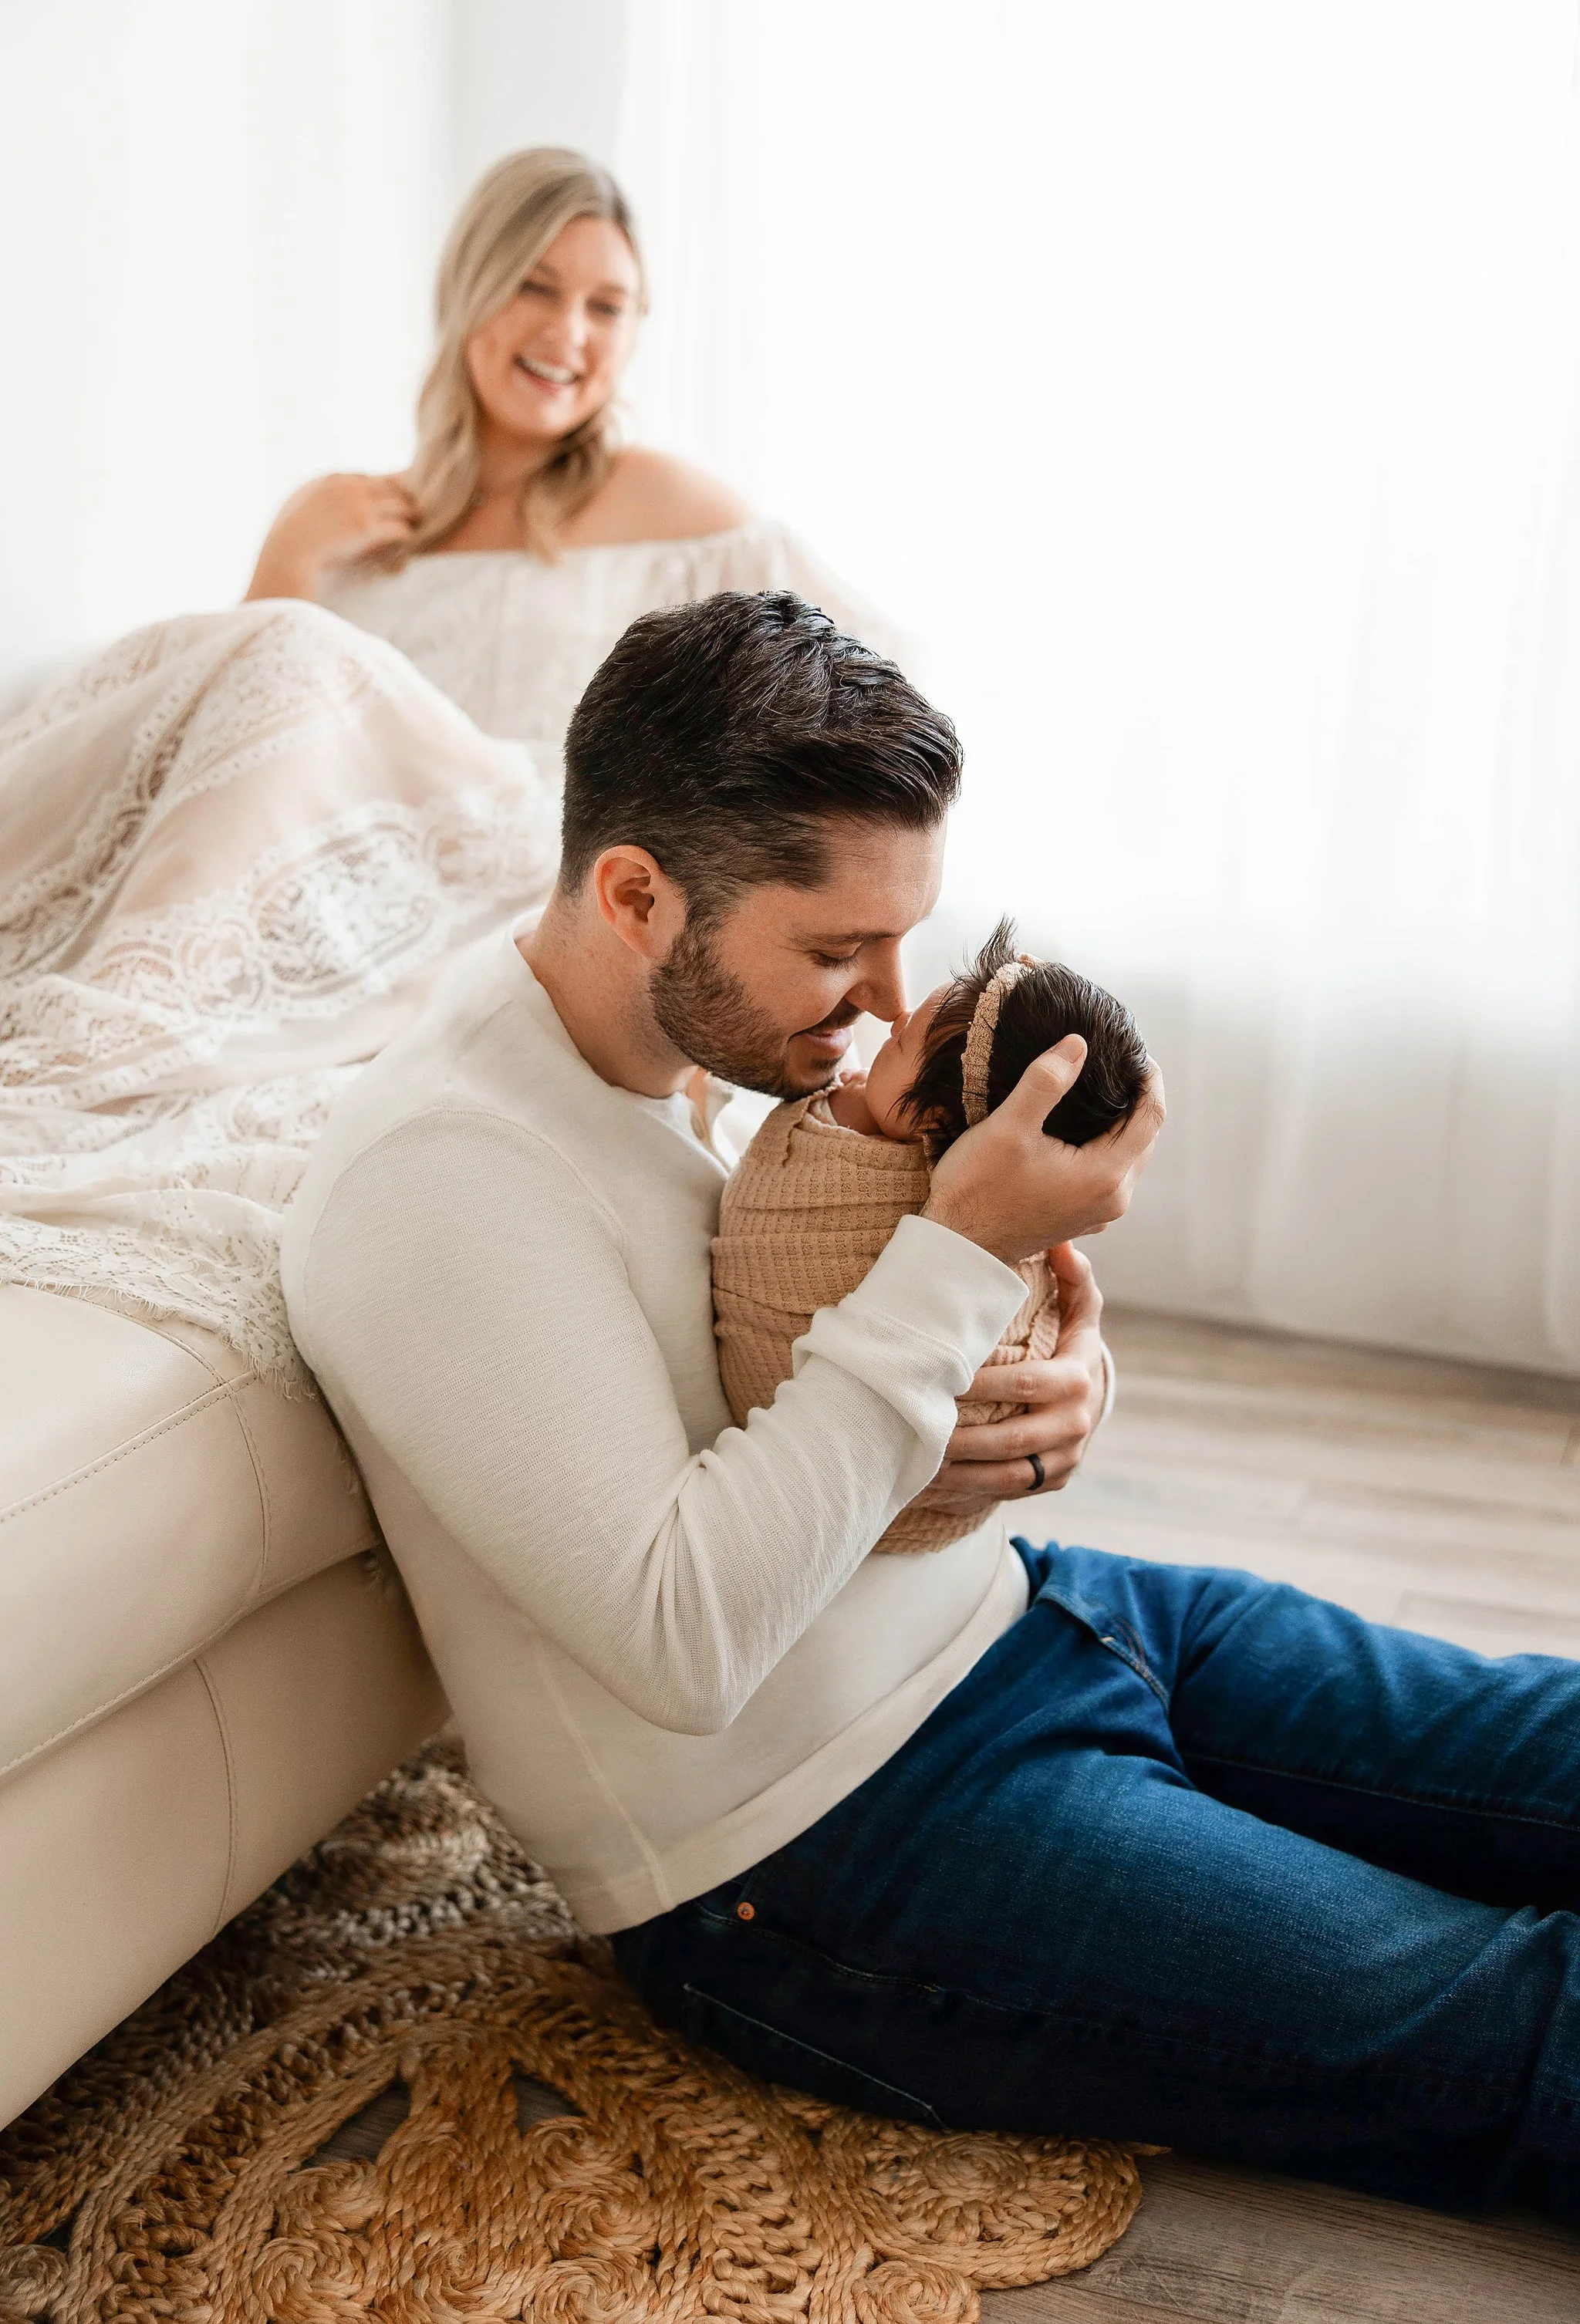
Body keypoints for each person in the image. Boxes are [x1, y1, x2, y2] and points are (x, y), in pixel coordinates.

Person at [282, 589, 1580, 2223]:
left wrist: (1060, 1375)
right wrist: (966, 1250)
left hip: (1038, 1620)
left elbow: (845, 1355)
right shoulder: (446, 1183)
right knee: (1520, 2012)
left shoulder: (694, 1036)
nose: (888, 1003)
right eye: (833, 951)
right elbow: (680, 1639)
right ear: (633, 894)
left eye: (903, 938)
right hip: (828, 1851)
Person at [245, 147, 897, 784]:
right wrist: (286, 562)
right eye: (535, 286)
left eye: (607, 307)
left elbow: (878, 690)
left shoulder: (675, 510)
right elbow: (241, 760)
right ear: (468, 290)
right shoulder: (338, 525)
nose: (569, 334)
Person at [713, 922, 1151, 1553]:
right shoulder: (849, 1151)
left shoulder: (841, 1108)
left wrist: (1088, 1383)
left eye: (898, 1045)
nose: (890, 1013)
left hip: (981, 1540)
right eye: (834, 946)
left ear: (934, 1121)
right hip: (855, 1522)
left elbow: (1031, 1351)